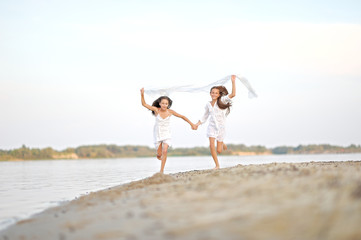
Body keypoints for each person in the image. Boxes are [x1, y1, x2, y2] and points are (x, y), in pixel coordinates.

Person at [140, 88, 197, 173]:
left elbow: (182, 116)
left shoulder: (170, 112)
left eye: (166, 103)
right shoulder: (156, 110)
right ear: (159, 103)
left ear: (168, 104)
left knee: (165, 150)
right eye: (163, 103)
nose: (164, 105)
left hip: (166, 133)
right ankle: (158, 156)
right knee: (159, 154)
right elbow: (144, 104)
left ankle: (161, 171)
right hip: (158, 133)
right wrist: (142, 94)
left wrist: (191, 124)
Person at [195, 75, 236, 169]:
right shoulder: (208, 104)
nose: (214, 94)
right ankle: (217, 165)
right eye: (212, 92)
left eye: (216, 93)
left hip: (221, 127)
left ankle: (222, 141)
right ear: (210, 93)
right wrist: (197, 124)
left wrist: (233, 81)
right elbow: (204, 117)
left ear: (219, 95)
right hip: (212, 127)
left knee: (219, 150)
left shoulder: (222, 100)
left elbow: (233, 94)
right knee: (211, 145)